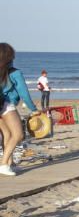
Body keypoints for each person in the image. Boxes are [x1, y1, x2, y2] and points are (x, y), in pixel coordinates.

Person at [0, 43, 39, 176]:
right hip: (6, 105)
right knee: (18, 135)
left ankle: (10, 164)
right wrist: (33, 109)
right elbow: (24, 93)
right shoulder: (15, 72)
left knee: (7, 135)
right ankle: (4, 164)